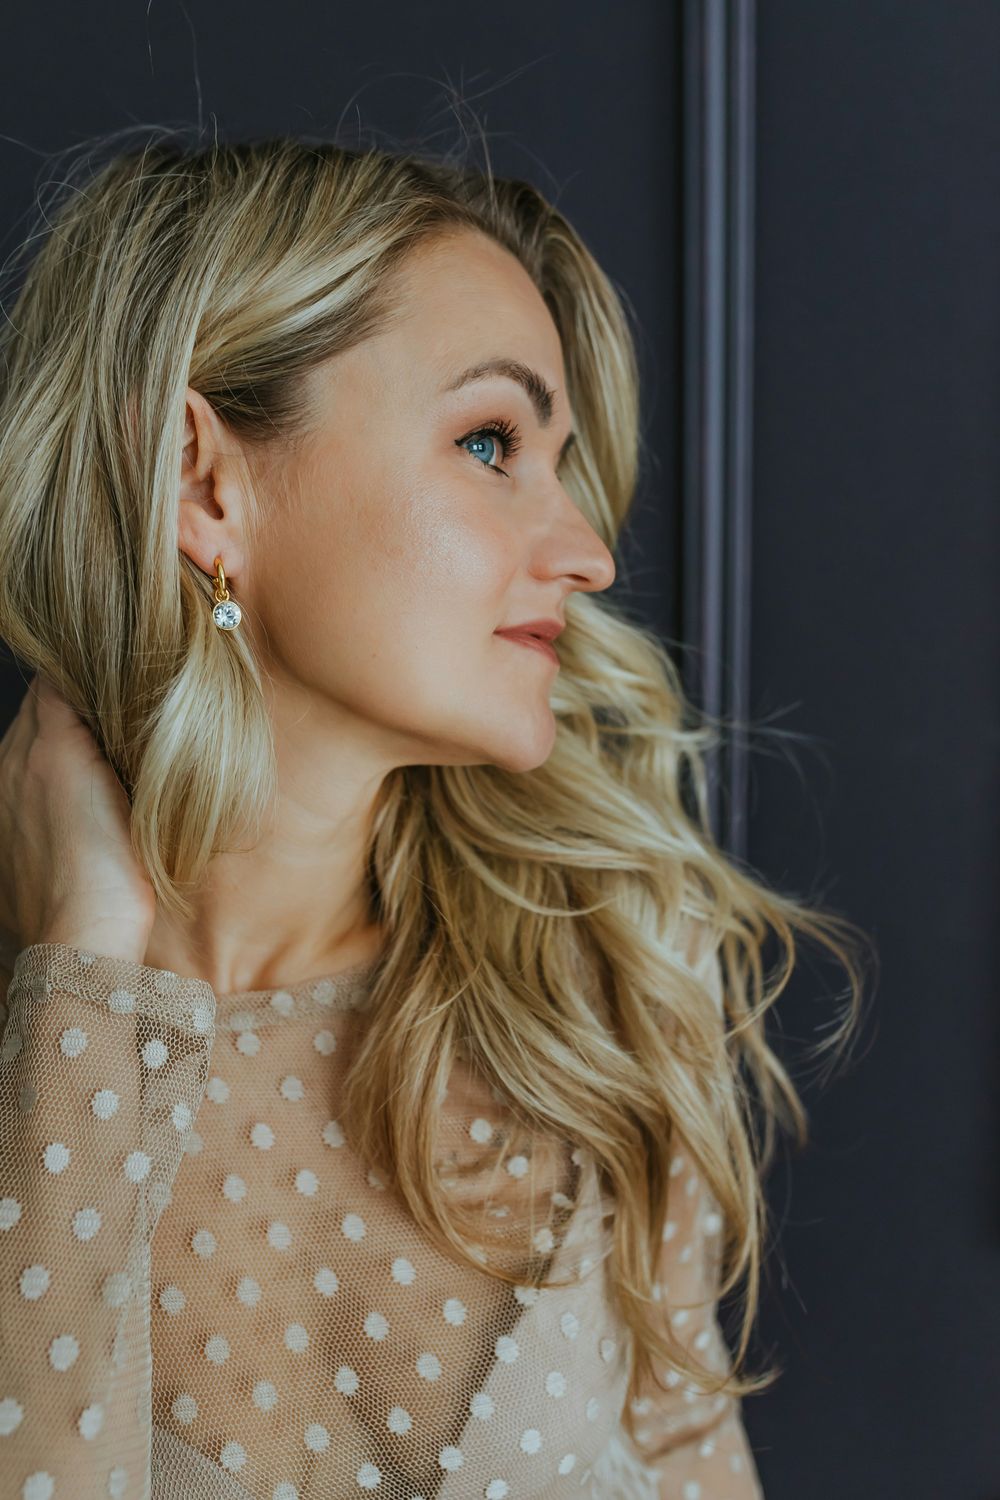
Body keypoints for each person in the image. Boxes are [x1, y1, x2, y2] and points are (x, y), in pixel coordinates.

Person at [0, 131, 869, 1500]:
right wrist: (87, 984)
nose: (585, 551)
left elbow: (695, 1454)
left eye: (562, 459)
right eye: (489, 440)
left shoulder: (605, 989)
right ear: (205, 484)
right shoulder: (39, 1049)